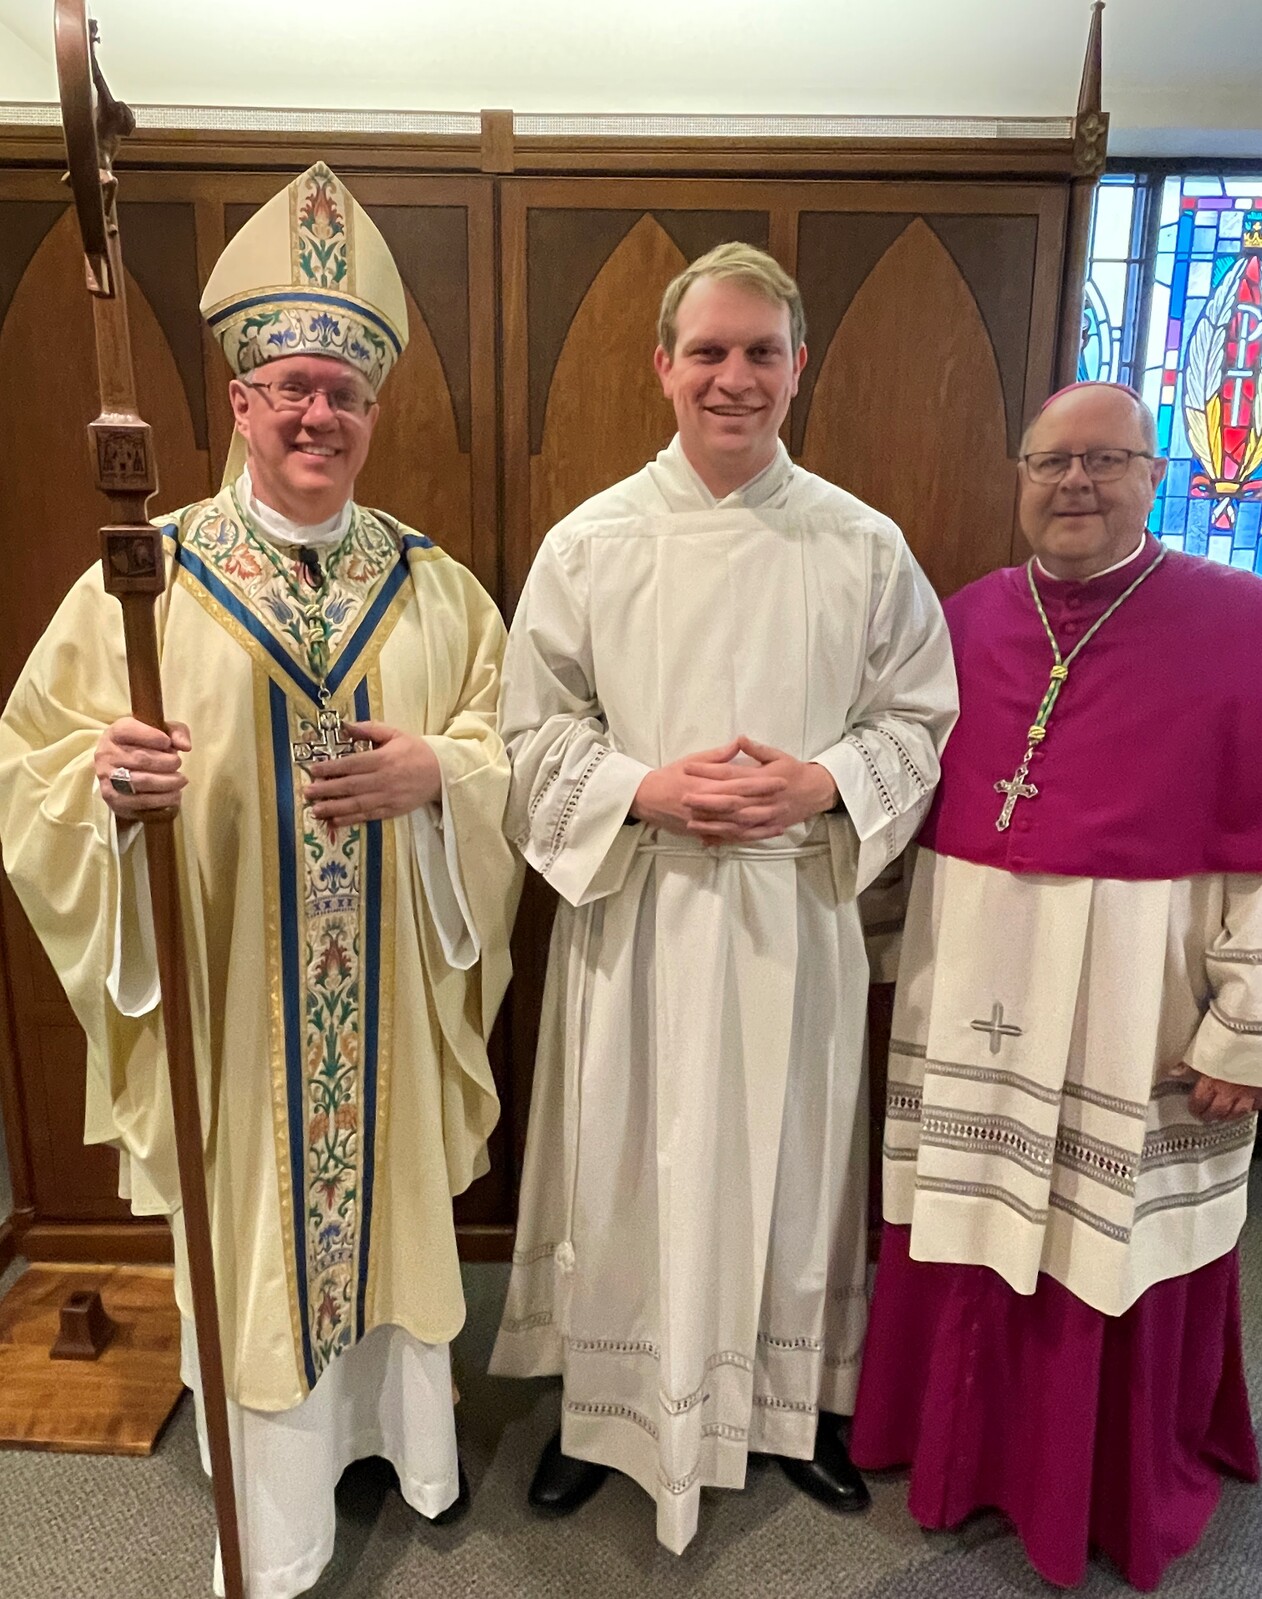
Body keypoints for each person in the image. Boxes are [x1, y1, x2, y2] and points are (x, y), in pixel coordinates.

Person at [0, 162, 520, 1599]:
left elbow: (505, 747)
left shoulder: (435, 586)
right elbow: (31, 763)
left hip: (386, 1007)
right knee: (255, 1231)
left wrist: (439, 777)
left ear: (372, 412)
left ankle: (404, 1449)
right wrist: (106, 789)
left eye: (343, 394)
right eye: (291, 386)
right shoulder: (144, 582)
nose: (316, 416)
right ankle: (281, 1521)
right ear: (239, 401)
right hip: (234, 1009)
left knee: (385, 1206)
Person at [488, 242, 958, 1553]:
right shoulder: (591, 542)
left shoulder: (862, 545)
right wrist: (641, 788)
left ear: (798, 367)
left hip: (786, 913)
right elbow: (527, 735)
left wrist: (825, 780)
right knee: (623, 1165)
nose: (732, 377)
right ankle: (603, 1410)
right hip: (638, 908)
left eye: (760, 352)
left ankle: (789, 1408)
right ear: (662, 366)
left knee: (791, 1166)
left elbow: (917, 721)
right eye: (707, 351)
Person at [850, 380, 1262, 1589]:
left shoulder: (1238, 622)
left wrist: (1244, 1028)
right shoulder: (961, 619)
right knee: (963, 1219)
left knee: (1107, 1241)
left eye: (1105, 460)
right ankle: (956, 1455)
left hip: (1141, 996)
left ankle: (1088, 1481)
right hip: (971, 979)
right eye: (1050, 462)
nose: (1074, 483)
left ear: (1154, 475)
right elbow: (902, 803)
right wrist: (867, 948)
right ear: (1018, 478)